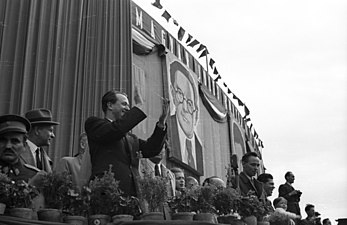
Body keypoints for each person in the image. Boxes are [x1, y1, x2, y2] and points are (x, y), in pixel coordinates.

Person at [85, 90, 169, 196]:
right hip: (105, 193)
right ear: (110, 105)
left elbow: (151, 149)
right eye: (124, 104)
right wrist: (138, 106)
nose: (128, 109)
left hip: (130, 197)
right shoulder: (94, 124)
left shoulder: (131, 138)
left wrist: (161, 123)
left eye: (129, 105)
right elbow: (116, 130)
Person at [168, 61, 203, 174]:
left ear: (196, 111)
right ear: (173, 94)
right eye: (179, 94)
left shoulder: (199, 148)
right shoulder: (166, 130)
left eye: (189, 102)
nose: (184, 108)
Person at [0, 114, 41, 182]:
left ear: (24, 145)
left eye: (15, 141)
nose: (8, 146)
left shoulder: (34, 176)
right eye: (3, 140)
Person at [20, 108, 60, 172]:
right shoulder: (17, 152)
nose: (53, 135)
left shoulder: (43, 156)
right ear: (37, 130)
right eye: (50, 131)